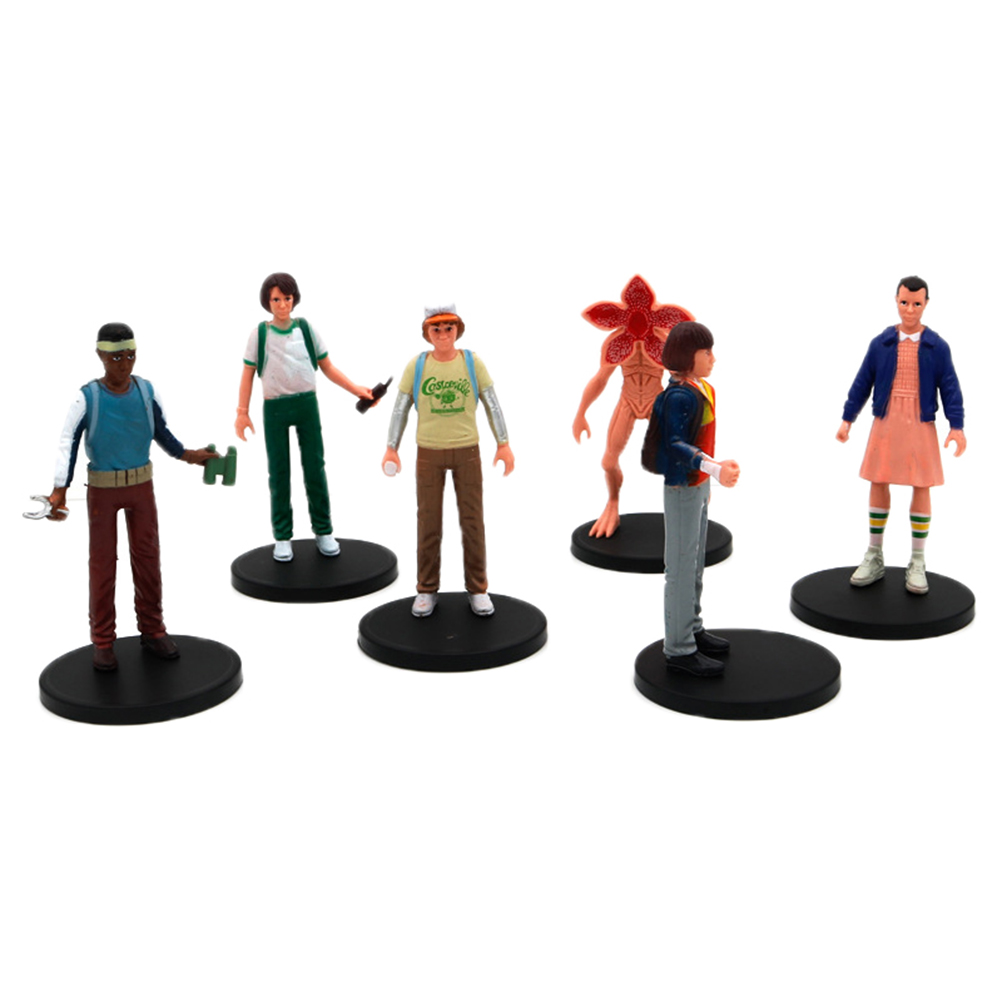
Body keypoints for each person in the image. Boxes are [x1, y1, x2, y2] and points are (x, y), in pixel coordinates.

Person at [46, 323, 218, 670]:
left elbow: (160, 431)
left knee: (148, 558)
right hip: (102, 490)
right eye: (116, 358)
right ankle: (102, 640)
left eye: (130, 356)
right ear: (100, 356)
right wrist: (59, 488)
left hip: (141, 486)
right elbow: (69, 441)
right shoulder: (87, 397)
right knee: (102, 564)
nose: (124, 364)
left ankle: (153, 630)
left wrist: (189, 455)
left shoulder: (146, 391)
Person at [382, 305, 514, 618]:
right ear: (427, 332)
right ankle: (426, 588)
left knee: (473, 521)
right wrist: (391, 448)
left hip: (468, 450)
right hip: (428, 452)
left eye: (448, 328)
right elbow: (400, 408)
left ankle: (478, 588)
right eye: (436, 329)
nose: (443, 335)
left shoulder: (471, 362)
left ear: (458, 329)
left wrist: (503, 443)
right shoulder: (417, 365)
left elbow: (492, 403)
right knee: (428, 521)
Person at [837, 276, 966, 594]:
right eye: (905, 302)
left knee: (922, 485)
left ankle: (917, 560)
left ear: (926, 304)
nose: (910, 309)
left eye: (917, 303)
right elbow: (862, 382)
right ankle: (874, 553)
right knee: (878, 479)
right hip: (887, 420)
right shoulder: (881, 344)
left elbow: (950, 386)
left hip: (920, 422)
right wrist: (847, 419)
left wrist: (956, 425)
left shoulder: (937, 347)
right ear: (896, 300)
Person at [235, 273, 374, 561]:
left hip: (307, 405)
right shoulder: (259, 334)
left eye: (287, 298)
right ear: (267, 302)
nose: (282, 305)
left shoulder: (306, 329)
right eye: (276, 299)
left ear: (294, 299)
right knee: (279, 473)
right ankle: (282, 536)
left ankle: (323, 530)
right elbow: (247, 373)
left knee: (315, 468)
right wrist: (242, 412)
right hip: (274, 408)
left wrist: (356, 389)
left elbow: (327, 366)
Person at [574, 275, 695, 537]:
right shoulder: (618, 342)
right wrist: (581, 412)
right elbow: (601, 378)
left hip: (657, 400)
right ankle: (612, 503)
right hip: (628, 400)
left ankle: (689, 507)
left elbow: (684, 378)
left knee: (681, 456)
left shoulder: (663, 342)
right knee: (608, 461)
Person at [656, 322, 739, 677]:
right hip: (683, 487)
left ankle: (691, 626)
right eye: (707, 352)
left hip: (698, 484)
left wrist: (710, 473)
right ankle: (679, 647)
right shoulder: (678, 397)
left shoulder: (702, 389)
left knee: (695, 562)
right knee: (680, 566)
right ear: (689, 356)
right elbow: (674, 445)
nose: (713, 359)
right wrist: (714, 468)